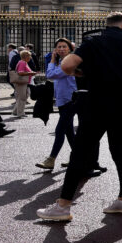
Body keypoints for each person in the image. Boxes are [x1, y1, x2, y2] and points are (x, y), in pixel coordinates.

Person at [36, 13, 122, 221]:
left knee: (80, 153)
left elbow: (67, 66)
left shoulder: (94, 42)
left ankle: (63, 205)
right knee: (120, 152)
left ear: (108, 25)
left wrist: (84, 75)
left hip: (97, 103)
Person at [35, 38, 78, 170]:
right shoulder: (62, 61)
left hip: (71, 100)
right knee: (69, 132)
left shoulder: (70, 62)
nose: (61, 49)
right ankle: (78, 158)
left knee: (60, 130)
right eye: (59, 47)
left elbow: (50, 75)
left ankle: (51, 159)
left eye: (64, 46)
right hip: (62, 100)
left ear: (70, 48)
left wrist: (52, 61)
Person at [12, 49, 37, 117]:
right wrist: (31, 73)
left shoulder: (22, 62)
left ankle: (15, 111)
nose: (30, 58)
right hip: (22, 83)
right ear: (26, 57)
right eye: (29, 56)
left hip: (24, 82)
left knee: (23, 96)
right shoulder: (22, 62)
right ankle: (20, 113)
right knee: (22, 98)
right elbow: (20, 72)